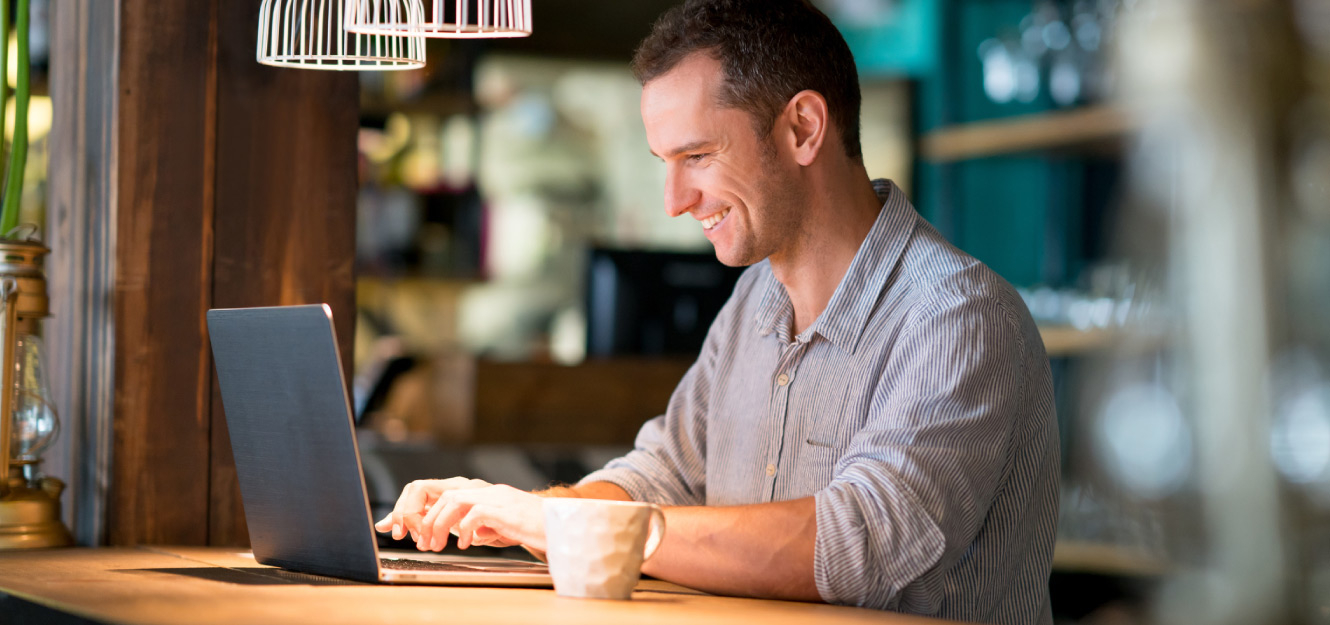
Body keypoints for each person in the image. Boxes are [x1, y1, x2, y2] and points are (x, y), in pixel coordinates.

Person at [375, 0, 1060, 621]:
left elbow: (863, 546)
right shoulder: (754, 299)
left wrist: (558, 524)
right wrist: (514, 513)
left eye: (697, 156)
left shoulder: (957, 318)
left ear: (802, 128)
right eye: (665, 162)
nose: (675, 199)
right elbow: (664, 474)